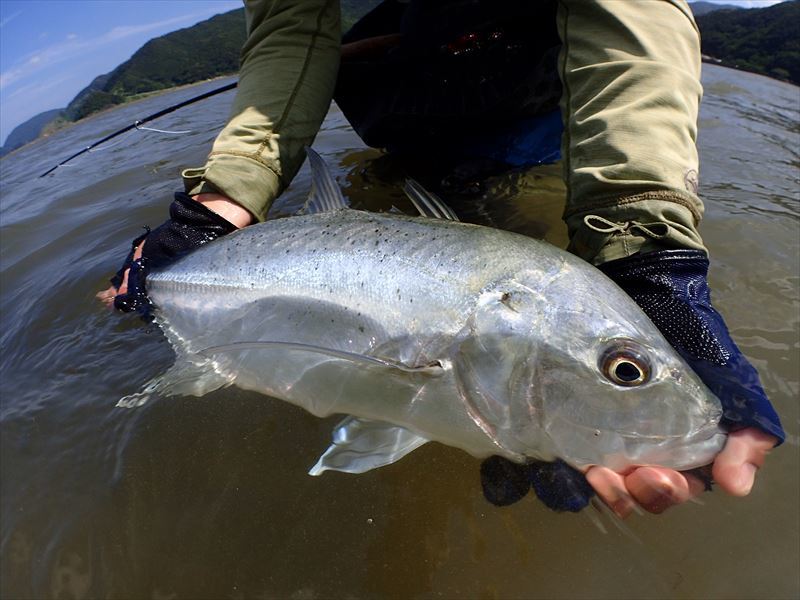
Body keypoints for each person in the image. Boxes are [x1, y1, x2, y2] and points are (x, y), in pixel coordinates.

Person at [97, 0, 784, 517]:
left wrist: (645, 243)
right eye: (625, 370)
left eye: (625, 369)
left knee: (538, 199)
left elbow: (634, 16)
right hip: (393, 98)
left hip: (539, 88)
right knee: (397, 191)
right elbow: (290, 26)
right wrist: (216, 207)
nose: (628, 373)